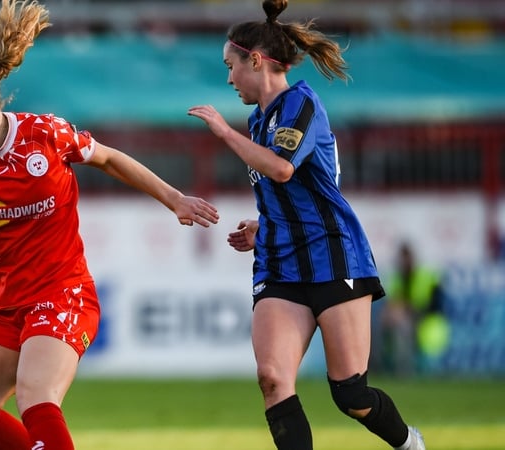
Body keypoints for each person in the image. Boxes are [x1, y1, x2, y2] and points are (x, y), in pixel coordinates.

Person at [0, 1, 219, 449]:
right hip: (7, 307)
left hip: (63, 294)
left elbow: (110, 158)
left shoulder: (45, 134)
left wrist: (174, 199)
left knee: (37, 395)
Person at [187, 1, 425, 449]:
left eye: (230, 66)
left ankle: (410, 443)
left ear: (255, 60)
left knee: (351, 395)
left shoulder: (300, 103)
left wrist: (223, 131)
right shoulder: (260, 120)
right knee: (272, 379)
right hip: (280, 260)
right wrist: (264, 224)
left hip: (333, 255)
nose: (228, 78)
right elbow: (292, 189)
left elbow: (281, 169)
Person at [378, 241, 448, 376]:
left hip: (427, 318)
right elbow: (394, 301)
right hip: (409, 317)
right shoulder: (398, 277)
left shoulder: (425, 275)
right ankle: (391, 365)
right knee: (393, 321)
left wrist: (408, 309)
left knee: (401, 325)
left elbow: (435, 304)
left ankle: (403, 368)